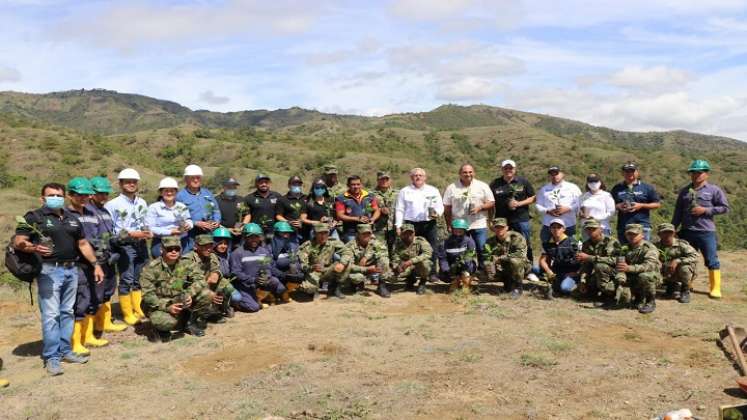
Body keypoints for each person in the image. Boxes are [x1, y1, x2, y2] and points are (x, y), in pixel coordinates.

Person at [14, 182, 104, 375]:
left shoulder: (72, 218)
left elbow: (82, 243)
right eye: (51, 195)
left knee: (67, 313)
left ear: (64, 197)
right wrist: (33, 247)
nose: (56, 197)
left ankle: (66, 351)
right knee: (51, 316)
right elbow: (19, 240)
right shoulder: (34, 217)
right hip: (48, 271)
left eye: (59, 195)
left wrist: (96, 264)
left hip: (71, 270)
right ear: (43, 198)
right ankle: (52, 357)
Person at [672, 159, 729, 299]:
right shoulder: (684, 191)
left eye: (700, 172)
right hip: (687, 231)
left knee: (711, 260)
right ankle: (687, 284)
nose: (696, 175)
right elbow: (678, 211)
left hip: (706, 232)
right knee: (686, 259)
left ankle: (715, 288)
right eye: (693, 172)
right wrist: (673, 228)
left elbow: (724, 208)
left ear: (706, 174)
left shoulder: (714, 190)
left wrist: (705, 210)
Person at [139, 236, 216, 341]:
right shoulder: (151, 268)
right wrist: (167, 306)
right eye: (170, 249)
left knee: (207, 294)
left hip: (179, 298)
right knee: (166, 322)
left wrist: (189, 294)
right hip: (159, 303)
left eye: (177, 249)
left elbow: (200, 280)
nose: (174, 252)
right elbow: (148, 295)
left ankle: (190, 323)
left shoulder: (186, 263)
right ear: (162, 249)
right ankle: (160, 330)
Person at [65, 177, 109, 355]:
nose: (82, 198)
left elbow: (98, 238)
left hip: (95, 263)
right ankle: (76, 342)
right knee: (80, 301)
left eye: (85, 195)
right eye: (78, 195)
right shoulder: (67, 216)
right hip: (77, 265)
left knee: (93, 298)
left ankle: (88, 336)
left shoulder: (91, 214)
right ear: (70, 195)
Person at [105, 168, 151, 326]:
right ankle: (127, 313)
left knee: (138, 279)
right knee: (127, 279)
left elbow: (145, 222)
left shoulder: (142, 202)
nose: (131, 184)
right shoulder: (113, 204)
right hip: (125, 246)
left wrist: (147, 231)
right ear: (121, 184)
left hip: (141, 244)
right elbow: (111, 230)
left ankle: (137, 308)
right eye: (128, 182)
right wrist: (131, 234)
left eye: (134, 182)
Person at [88, 176, 129, 334]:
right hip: (96, 259)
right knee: (94, 293)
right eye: (100, 193)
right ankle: (91, 327)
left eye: (106, 193)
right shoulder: (87, 211)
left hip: (109, 258)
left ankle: (104, 322)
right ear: (91, 193)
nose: (104, 196)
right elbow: (89, 238)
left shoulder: (104, 211)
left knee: (107, 291)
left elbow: (109, 233)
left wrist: (118, 241)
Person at [443, 164, 495, 271]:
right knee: (460, 249)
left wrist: (480, 207)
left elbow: (491, 202)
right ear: (460, 174)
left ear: (474, 173)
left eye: (470, 172)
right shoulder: (452, 188)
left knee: (481, 248)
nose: (468, 174)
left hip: (478, 223)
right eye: (465, 172)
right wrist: (449, 224)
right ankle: (462, 270)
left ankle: (482, 271)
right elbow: (447, 208)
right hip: (459, 225)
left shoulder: (482, 186)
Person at [394, 168, 443, 280]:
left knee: (432, 248)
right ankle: (412, 275)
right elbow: (399, 209)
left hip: (429, 223)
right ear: (411, 177)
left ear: (425, 177)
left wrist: (437, 213)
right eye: (415, 175)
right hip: (410, 225)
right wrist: (398, 225)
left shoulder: (433, 190)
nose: (418, 177)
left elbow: (440, 206)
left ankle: (432, 273)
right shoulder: (404, 191)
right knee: (410, 250)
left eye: (420, 175)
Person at [229, 223, 287, 311]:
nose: (254, 239)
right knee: (254, 308)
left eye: (256, 237)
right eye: (251, 237)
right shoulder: (237, 253)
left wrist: (266, 276)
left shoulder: (264, 251)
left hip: (258, 283)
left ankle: (258, 297)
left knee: (276, 283)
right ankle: (234, 303)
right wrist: (253, 280)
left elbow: (268, 267)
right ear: (245, 237)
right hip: (244, 285)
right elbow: (236, 273)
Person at [489, 159, 536, 263]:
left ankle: (529, 267)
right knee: (503, 244)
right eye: (506, 168)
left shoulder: (523, 182)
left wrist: (519, 203)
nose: (508, 170)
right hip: (502, 220)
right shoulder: (495, 184)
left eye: (511, 168)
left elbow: (533, 197)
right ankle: (505, 267)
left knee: (525, 243)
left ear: (515, 169)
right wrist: (491, 220)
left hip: (521, 219)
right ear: (502, 169)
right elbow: (490, 202)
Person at [183, 234, 237, 320]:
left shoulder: (212, 256)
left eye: (210, 246)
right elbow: (190, 282)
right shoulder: (187, 260)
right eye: (204, 246)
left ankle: (218, 310)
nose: (208, 249)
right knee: (206, 295)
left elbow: (217, 268)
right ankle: (194, 319)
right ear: (196, 246)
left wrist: (217, 273)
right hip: (192, 289)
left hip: (206, 285)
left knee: (226, 286)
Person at [575, 219, 627, 308]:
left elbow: (617, 260)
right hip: (599, 274)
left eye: (594, 229)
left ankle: (609, 296)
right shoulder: (586, 244)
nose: (591, 231)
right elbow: (586, 265)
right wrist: (583, 281)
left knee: (600, 265)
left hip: (614, 273)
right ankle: (596, 293)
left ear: (600, 229)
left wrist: (590, 257)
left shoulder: (611, 242)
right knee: (578, 293)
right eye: (588, 229)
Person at [616, 224, 661, 314]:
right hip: (632, 275)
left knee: (644, 276)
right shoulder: (624, 248)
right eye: (629, 234)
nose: (632, 237)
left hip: (651, 276)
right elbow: (620, 263)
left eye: (635, 234)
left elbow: (649, 266)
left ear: (642, 235)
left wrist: (629, 268)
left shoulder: (649, 248)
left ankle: (650, 301)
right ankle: (638, 298)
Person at [610, 161, 661, 243]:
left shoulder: (647, 187)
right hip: (623, 227)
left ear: (637, 172)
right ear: (623, 173)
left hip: (642, 226)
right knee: (625, 253)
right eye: (627, 171)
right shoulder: (617, 188)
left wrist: (641, 205)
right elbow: (609, 205)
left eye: (632, 171)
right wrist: (618, 206)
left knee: (643, 252)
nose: (630, 173)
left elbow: (657, 204)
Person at [176, 164, 221, 252]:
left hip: (208, 235)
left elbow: (216, 210)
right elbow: (178, 218)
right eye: (192, 178)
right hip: (191, 237)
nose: (196, 180)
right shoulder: (180, 196)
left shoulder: (207, 193)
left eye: (198, 177)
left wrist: (217, 221)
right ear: (186, 179)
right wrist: (195, 223)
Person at [483, 218, 531, 299]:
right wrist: (490, 262)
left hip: (521, 266)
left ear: (507, 228)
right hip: (502, 267)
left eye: (502, 227)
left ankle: (518, 288)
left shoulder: (516, 237)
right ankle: (507, 282)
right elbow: (486, 255)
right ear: (493, 229)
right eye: (497, 227)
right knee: (484, 268)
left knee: (514, 261)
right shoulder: (490, 241)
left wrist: (501, 258)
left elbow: (520, 254)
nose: (499, 230)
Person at [339, 224, 392, 298]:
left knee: (384, 259)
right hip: (357, 270)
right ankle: (355, 284)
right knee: (357, 277)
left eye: (369, 234)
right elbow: (349, 266)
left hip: (372, 268)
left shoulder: (375, 242)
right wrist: (367, 269)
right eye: (364, 234)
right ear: (358, 235)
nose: (367, 236)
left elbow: (384, 253)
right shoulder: (350, 246)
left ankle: (382, 286)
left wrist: (366, 257)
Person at [146, 177, 193, 257]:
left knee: (183, 266)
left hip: (181, 240)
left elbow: (188, 220)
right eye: (166, 191)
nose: (169, 193)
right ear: (161, 192)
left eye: (172, 191)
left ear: (176, 192)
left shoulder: (182, 206)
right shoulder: (154, 207)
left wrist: (189, 225)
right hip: (161, 241)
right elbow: (150, 228)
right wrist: (170, 232)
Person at [297, 223, 346, 299]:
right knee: (308, 288)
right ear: (314, 234)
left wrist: (342, 263)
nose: (323, 236)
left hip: (328, 270)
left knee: (344, 263)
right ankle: (315, 288)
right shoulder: (307, 246)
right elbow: (303, 265)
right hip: (313, 272)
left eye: (325, 233)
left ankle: (335, 288)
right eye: (320, 233)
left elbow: (347, 252)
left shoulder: (333, 242)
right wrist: (312, 267)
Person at [535, 166, 582, 244]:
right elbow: (538, 205)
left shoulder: (573, 187)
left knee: (571, 246)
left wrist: (568, 208)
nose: (554, 176)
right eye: (551, 174)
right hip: (549, 224)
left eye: (556, 173)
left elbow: (580, 202)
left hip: (568, 223)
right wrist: (547, 211)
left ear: (562, 174)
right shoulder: (544, 189)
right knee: (546, 245)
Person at [655, 223, 698, 304]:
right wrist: (657, 262)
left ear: (674, 233)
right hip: (665, 271)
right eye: (664, 232)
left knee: (684, 267)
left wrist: (678, 261)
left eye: (670, 232)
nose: (667, 235)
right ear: (659, 234)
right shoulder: (656, 246)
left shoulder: (681, 244)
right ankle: (670, 286)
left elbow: (695, 256)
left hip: (680, 271)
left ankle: (685, 290)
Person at [538, 218, 581, 299]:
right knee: (535, 269)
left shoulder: (574, 241)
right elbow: (542, 260)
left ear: (564, 229)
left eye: (559, 227)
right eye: (553, 227)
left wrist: (577, 272)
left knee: (565, 288)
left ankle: (577, 285)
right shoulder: (547, 244)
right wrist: (549, 271)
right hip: (557, 271)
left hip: (572, 272)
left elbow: (583, 260)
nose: (556, 229)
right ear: (550, 229)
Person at [391, 223, 433, 295]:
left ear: (414, 233)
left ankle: (422, 283)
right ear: (401, 234)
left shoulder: (420, 240)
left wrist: (411, 261)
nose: (409, 235)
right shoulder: (398, 242)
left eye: (411, 233)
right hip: (404, 265)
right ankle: (410, 279)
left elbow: (428, 253)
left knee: (425, 264)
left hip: (418, 265)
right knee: (391, 278)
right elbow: (394, 255)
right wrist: (397, 265)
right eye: (406, 233)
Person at [335, 175, 380, 243]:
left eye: (358, 184)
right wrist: (357, 219)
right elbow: (339, 215)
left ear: (361, 185)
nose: (356, 187)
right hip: (351, 232)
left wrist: (372, 219)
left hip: (367, 231)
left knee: (369, 252)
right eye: (353, 184)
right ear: (348, 185)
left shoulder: (369, 196)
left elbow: (376, 210)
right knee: (352, 252)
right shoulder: (341, 198)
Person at [438, 219, 477, 293]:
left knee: (468, 269)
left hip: (465, 265)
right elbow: (443, 259)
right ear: (452, 230)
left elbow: (469, 256)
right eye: (456, 230)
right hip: (451, 266)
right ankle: (455, 280)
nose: (458, 233)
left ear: (465, 231)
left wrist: (463, 267)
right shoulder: (444, 243)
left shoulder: (469, 241)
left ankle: (466, 282)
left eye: (461, 230)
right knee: (444, 275)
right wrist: (447, 270)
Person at [270, 221, 303, 302]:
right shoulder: (269, 246)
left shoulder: (290, 245)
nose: (287, 235)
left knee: (298, 273)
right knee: (278, 286)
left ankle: (286, 291)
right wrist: (282, 275)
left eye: (288, 233)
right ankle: (274, 294)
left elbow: (296, 260)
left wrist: (293, 270)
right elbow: (269, 267)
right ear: (276, 233)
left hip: (286, 273)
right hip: (275, 275)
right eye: (284, 233)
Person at [242, 173, 282, 240]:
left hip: (273, 231)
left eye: (266, 182)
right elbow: (247, 215)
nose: (264, 184)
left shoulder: (277, 196)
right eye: (261, 182)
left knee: (272, 249)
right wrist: (243, 226)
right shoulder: (249, 198)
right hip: (256, 231)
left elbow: (281, 213)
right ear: (256, 184)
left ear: (269, 183)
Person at [370, 171, 399, 258]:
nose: (384, 181)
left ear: (390, 180)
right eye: (382, 179)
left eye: (387, 179)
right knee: (380, 252)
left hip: (394, 227)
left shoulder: (398, 193)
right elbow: (366, 209)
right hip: (379, 228)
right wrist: (379, 210)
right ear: (377, 180)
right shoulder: (370, 194)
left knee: (395, 251)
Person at [578, 173, 615, 239]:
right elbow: (579, 210)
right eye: (591, 181)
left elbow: (611, 212)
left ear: (600, 182)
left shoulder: (606, 195)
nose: (593, 183)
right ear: (587, 183)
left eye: (595, 181)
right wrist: (581, 215)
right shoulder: (583, 196)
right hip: (586, 229)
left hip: (602, 228)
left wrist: (594, 218)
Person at [276, 175, 307, 241]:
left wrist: (302, 221)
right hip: (290, 232)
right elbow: (278, 216)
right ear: (289, 185)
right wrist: (288, 222)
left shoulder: (307, 198)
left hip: (305, 230)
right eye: (294, 184)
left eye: (299, 184)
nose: (297, 185)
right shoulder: (282, 199)